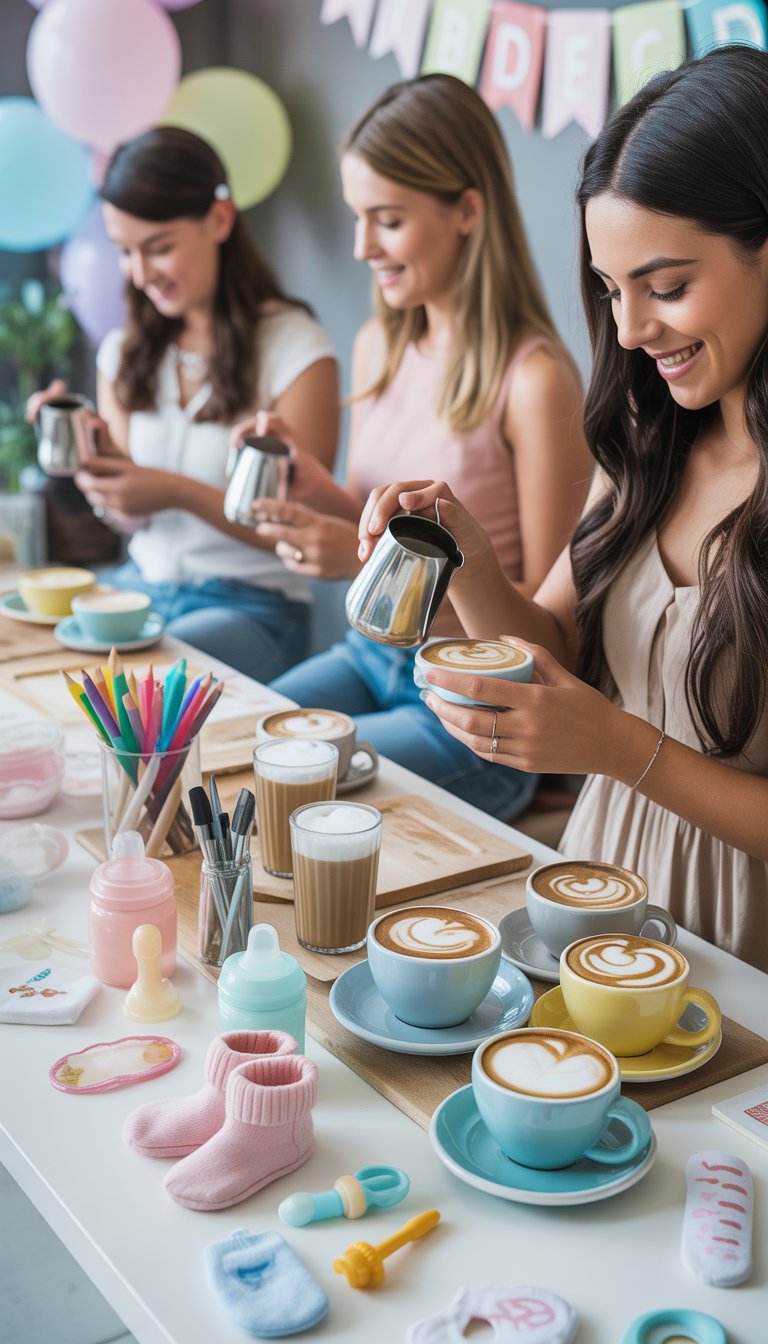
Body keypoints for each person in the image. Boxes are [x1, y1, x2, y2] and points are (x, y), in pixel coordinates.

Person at [359, 45, 768, 970]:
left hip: (742, 951)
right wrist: (465, 556)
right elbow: (551, 647)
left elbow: (608, 734)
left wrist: (619, 745)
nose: (628, 331)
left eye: (666, 287)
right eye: (612, 290)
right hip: (596, 910)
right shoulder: (651, 434)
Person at [247, 74, 591, 819]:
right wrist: (312, 488)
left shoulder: (534, 382)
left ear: (467, 211)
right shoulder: (380, 345)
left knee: (291, 780)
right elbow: (383, 523)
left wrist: (361, 563)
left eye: (387, 219)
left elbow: (550, 637)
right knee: (235, 737)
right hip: (367, 658)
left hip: (468, 707)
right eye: (357, 217)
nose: (361, 245)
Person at [27, 126, 340, 679]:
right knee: (38, 662)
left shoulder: (295, 348)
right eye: (124, 251)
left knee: (133, 679)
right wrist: (96, 465)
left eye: (160, 247)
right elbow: (127, 521)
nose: (141, 274)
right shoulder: (124, 352)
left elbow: (304, 533)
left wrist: (175, 490)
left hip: (252, 607)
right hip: (142, 587)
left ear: (219, 221)